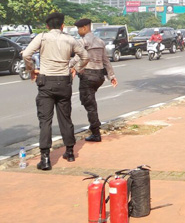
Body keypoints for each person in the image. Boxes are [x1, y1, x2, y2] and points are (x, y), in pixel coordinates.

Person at [22, 12, 89, 170]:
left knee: (45, 120)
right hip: (64, 82)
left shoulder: (42, 37)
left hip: (46, 83)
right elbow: (85, 56)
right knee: (65, 117)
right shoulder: (70, 39)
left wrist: (32, 69)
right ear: (62, 25)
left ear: (47, 26)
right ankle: (70, 152)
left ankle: (45, 158)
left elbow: (26, 54)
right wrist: (75, 68)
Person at [70, 18, 118, 143]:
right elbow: (106, 60)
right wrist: (111, 76)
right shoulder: (100, 41)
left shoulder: (82, 41)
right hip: (99, 76)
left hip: (88, 76)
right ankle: (95, 124)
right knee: (90, 101)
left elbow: (76, 58)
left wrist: (69, 67)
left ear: (85, 28)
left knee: (89, 104)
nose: (78, 31)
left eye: (79, 28)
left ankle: (96, 131)